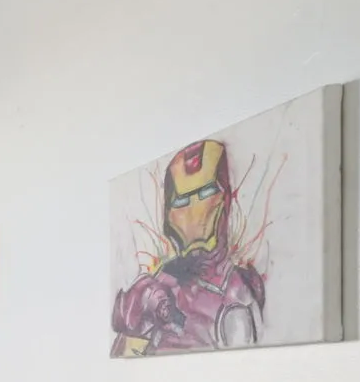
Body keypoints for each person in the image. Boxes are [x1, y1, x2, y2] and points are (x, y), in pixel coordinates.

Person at [111, 139, 264, 356]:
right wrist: (136, 324)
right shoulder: (163, 280)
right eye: (182, 202)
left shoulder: (238, 295)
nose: (193, 210)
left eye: (205, 194)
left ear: (225, 200)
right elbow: (123, 361)